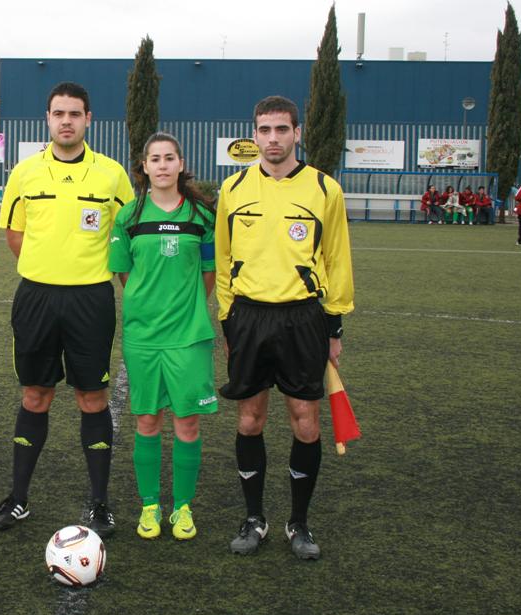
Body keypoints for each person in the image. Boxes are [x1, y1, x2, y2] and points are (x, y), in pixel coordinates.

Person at [0, 82, 134, 538]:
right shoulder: (25, 173)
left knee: (93, 397)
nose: (66, 121)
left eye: (74, 113)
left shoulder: (111, 174)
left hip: (91, 298)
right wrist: (47, 267)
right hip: (37, 296)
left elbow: (125, 236)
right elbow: (15, 235)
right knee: (36, 394)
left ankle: (99, 504)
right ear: (48, 119)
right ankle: (18, 498)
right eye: (58, 113)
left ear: (88, 119)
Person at [215, 96, 354, 560]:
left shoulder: (325, 189)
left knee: (306, 423)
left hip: (302, 318)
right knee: (250, 419)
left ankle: (299, 523)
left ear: (298, 132)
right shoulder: (233, 189)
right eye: (264, 130)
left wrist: (334, 327)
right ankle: (254, 518)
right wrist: (228, 319)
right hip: (249, 317)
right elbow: (223, 259)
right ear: (254, 134)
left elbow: (337, 258)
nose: (272, 139)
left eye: (281, 129)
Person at [109, 133, 217, 541]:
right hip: (143, 335)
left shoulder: (201, 215)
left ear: (180, 163)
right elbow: (123, 272)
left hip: (188, 335)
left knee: (187, 422)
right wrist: (148, 302)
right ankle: (150, 505)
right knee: (148, 420)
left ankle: (183, 507)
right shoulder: (129, 216)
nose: (163, 165)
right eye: (155, 159)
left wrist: (184, 308)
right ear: (145, 167)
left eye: (169, 158)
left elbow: (208, 273)